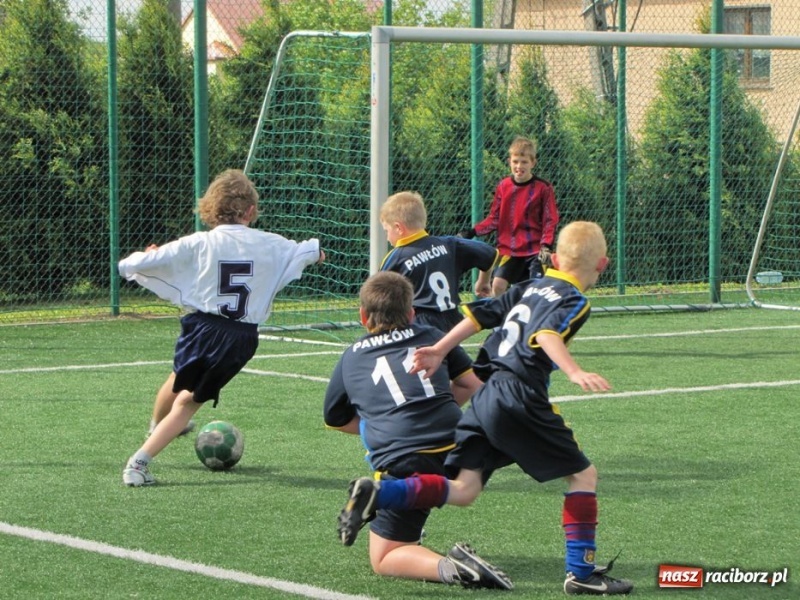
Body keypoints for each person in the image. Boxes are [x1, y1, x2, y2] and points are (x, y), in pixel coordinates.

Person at [337, 222, 634, 596]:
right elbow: (545, 335)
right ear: (603, 265)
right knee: (584, 476)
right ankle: (581, 574)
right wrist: (574, 371)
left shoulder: (527, 287)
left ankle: (382, 494)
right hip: (519, 394)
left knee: (464, 488)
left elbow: (477, 316)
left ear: (554, 259)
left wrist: (440, 348)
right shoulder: (574, 299)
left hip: (486, 395)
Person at [120, 169, 325, 487]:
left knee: (179, 382)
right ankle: (139, 461)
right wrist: (317, 256)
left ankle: (152, 437)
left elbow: (132, 265)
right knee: (188, 402)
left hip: (198, 328)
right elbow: (310, 251)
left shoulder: (200, 242)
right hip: (238, 338)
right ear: (252, 211)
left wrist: (150, 257)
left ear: (211, 209)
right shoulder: (272, 244)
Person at [324, 271, 512, 590]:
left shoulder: (350, 357)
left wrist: (382, 423)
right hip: (460, 444)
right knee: (459, 485)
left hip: (404, 458)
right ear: (412, 313)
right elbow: (470, 385)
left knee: (384, 557)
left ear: (362, 316)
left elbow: (335, 419)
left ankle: (459, 570)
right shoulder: (431, 334)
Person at [379, 191, 498, 332]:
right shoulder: (449, 244)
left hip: (420, 325)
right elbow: (491, 254)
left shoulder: (396, 258)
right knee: (451, 353)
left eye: (387, 230)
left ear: (398, 228)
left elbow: (379, 298)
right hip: (452, 320)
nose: (387, 237)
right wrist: (483, 281)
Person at [459, 136, 559, 297]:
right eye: (516, 161)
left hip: (534, 251)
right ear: (509, 162)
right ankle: (504, 320)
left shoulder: (543, 188)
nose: (519, 166)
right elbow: (494, 218)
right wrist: (471, 232)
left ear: (533, 163)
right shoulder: (503, 186)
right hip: (509, 250)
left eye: (524, 162)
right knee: (498, 285)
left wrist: (546, 245)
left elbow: (550, 220)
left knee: (534, 292)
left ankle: (532, 320)